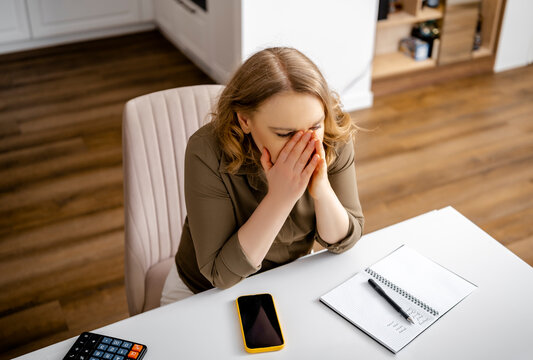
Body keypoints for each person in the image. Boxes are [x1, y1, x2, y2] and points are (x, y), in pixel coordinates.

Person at [161, 47, 364, 305]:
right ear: (244, 120)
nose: (305, 144)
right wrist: (280, 198)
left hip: (286, 281)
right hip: (202, 293)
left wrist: (322, 189)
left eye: (314, 126)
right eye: (285, 134)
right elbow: (220, 275)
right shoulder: (206, 151)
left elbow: (345, 240)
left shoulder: (332, 137)